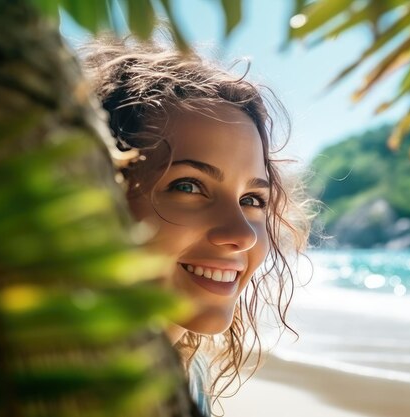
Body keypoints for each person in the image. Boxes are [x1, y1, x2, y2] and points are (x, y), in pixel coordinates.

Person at [82, 37, 313, 416]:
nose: (241, 235)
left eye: (252, 200)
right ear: (101, 196)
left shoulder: (187, 371)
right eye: (188, 186)